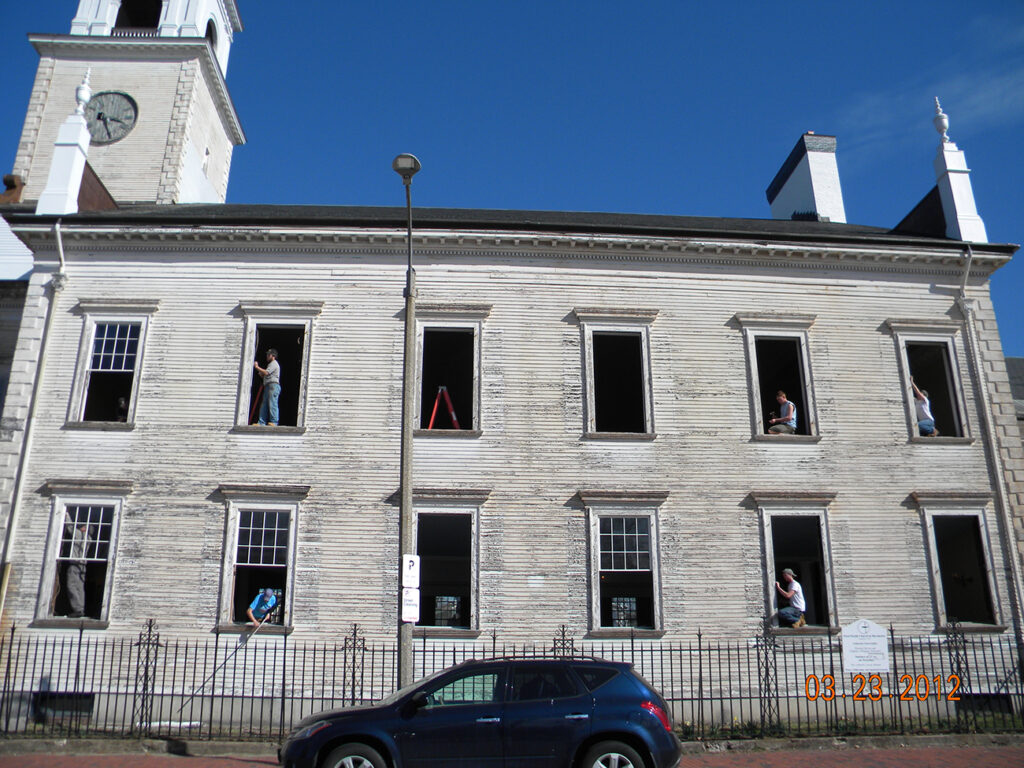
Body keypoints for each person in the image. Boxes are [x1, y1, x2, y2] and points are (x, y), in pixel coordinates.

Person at [63, 518, 94, 618]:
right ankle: (80, 608)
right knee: (80, 588)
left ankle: (77, 609)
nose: (81, 527)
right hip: (83, 566)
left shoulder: (79, 535)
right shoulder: (89, 538)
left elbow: (70, 527)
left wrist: (66, 514)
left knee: (71, 586)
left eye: (83, 526)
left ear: (85, 528)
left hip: (75, 564)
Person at [254, 348, 280, 426]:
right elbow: (265, 374)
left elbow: (266, 372)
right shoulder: (270, 364)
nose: (267, 356)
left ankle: (274, 421)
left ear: (273, 356)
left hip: (273, 385)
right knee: (264, 404)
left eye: (269, 355)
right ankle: (261, 422)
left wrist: (257, 367)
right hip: (268, 385)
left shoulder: (274, 363)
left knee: (272, 403)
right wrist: (260, 373)